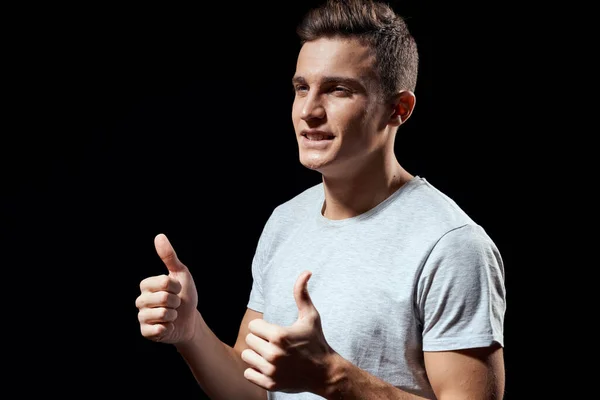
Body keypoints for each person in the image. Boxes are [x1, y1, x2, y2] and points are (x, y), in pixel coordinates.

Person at [135, 0, 507, 398]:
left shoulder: (451, 245)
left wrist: (334, 378)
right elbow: (254, 390)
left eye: (338, 90)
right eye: (301, 88)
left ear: (399, 109)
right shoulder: (285, 220)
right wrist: (191, 332)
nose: (309, 111)